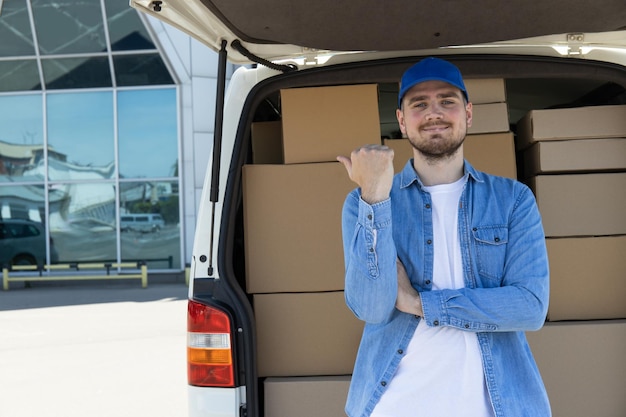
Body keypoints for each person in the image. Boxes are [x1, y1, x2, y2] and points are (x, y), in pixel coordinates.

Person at [336, 57, 551, 417]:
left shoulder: (512, 200)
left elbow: (530, 307)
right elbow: (371, 307)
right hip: (395, 406)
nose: (434, 112)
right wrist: (374, 194)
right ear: (402, 121)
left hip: (495, 407)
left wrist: (419, 304)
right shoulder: (364, 203)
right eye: (419, 104)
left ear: (468, 113)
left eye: (447, 101)